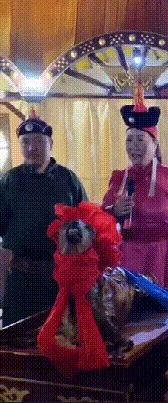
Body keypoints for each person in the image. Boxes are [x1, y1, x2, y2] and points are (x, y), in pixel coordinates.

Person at [102, 84, 168, 289]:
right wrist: (114, 211)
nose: (133, 146)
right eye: (129, 140)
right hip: (126, 259)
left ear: (154, 144)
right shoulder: (119, 179)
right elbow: (100, 220)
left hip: (162, 258)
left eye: (140, 139)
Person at [0, 114, 88, 326]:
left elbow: (87, 224)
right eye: (25, 142)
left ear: (51, 144)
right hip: (20, 280)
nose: (32, 148)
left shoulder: (68, 180)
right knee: (16, 338)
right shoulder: (9, 181)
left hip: (59, 279)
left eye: (39, 141)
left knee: (61, 336)